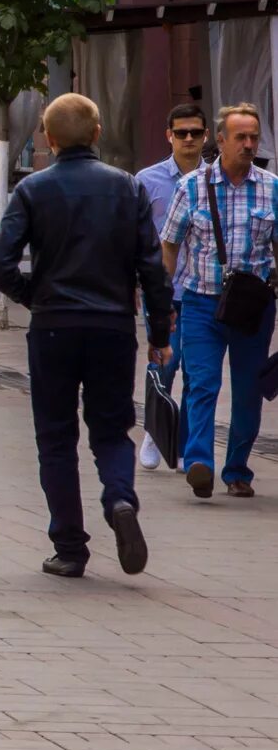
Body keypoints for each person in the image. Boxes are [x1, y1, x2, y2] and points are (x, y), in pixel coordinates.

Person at [0, 93, 169, 578]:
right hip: (111, 325)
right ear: (97, 132)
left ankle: (69, 547)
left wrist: (32, 296)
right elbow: (152, 266)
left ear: (48, 138)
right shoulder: (128, 189)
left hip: (53, 327)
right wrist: (161, 331)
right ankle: (119, 499)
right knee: (111, 429)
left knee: (56, 437)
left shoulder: (33, 190)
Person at [158, 101, 275, 499]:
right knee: (202, 383)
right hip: (201, 303)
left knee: (247, 390)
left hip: (252, 308)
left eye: (253, 137)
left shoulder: (271, 187)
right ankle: (199, 463)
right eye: (240, 137)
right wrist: (163, 303)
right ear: (220, 141)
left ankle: (237, 469)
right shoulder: (190, 187)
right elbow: (169, 247)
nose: (248, 144)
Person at [134, 103, 208, 469]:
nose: (189, 139)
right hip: (161, 289)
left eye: (196, 132)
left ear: (206, 136)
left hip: (202, 291)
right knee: (166, 362)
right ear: (169, 136)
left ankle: (183, 441)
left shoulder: (215, 180)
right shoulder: (147, 181)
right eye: (182, 133)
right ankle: (155, 427)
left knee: (197, 372)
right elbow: (134, 235)